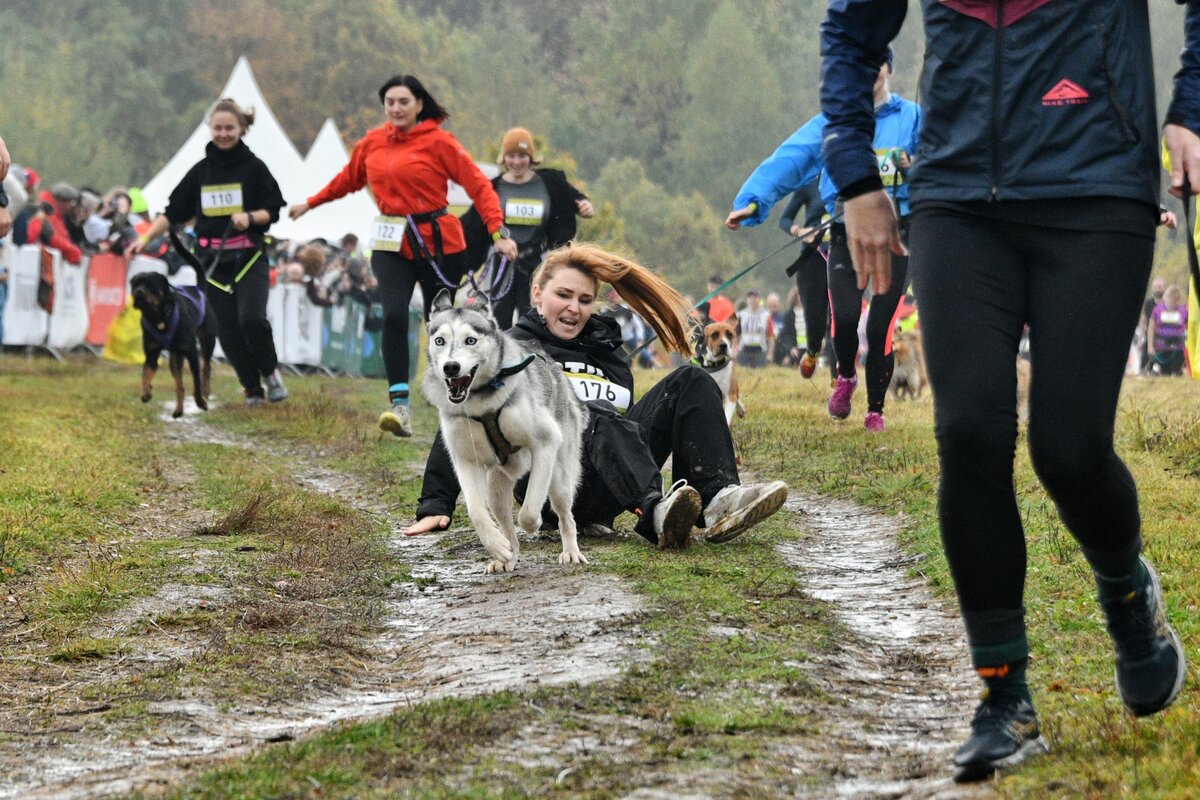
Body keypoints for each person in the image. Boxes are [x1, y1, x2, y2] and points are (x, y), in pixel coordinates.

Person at [821, 0, 1195, 782]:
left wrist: (1191, 105)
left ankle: (1128, 597)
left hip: (1097, 186)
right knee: (969, 433)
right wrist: (855, 175)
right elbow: (853, 30)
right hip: (958, 194)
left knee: (1070, 447)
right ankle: (1004, 697)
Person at [403, 242, 789, 548]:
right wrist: (436, 502)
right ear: (537, 294)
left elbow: (630, 424)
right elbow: (460, 413)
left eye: (585, 300)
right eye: (563, 295)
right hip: (550, 483)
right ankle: (656, 512)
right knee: (591, 414)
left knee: (691, 379)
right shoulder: (511, 351)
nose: (574, 308)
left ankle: (719, 498)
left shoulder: (611, 354)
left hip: (608, 485)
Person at [290, 75, 517, 437]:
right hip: (390, 242)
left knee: (441, 323)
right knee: (394, 312)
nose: (396, 108)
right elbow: (347, 180)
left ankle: (456, 393)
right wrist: (310, 203)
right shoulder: (372, 143)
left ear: (419, 105)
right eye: (390, 102)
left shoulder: (440, 142)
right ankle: (400, 404)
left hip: (440, 244)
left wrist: (497, 233)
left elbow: (479, 186)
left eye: (403, 102)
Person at [727, 50, 920, 431]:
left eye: (875, 64)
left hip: (898, 235)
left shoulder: (912, 117)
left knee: (881, 326)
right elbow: (791, 159)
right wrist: (752, 201)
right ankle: (846, 375)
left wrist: (914, 165)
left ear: (889, 69)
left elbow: (946, 156)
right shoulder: (833, 122)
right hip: (846, 231)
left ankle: (875, 410)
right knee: (846, 318)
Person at [132, 97, 288, 407]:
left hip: (248, 258)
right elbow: (173, 212)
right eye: (217, 128)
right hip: (212, 264)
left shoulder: (255, 168)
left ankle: (270, 373)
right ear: (210, 129)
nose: (223, 134)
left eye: (230, 128)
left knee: (252, 320)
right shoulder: (200, 172)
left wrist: (250, 218)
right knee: (226, 331)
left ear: (242, 129)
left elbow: (273, 211)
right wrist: (146, 238)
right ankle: (251, 388)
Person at [462, 127, 594, 329]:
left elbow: (573, 197)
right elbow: (472, 225)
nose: (517, 162)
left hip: (537, 263)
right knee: (499, 323)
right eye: (511, 156)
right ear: (503, 158)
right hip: (502, 265)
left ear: (531, 157)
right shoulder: (492, 187)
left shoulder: (549, 183)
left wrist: (584, 204)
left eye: (522, 156)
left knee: (534, 320)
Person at [776, 179, 832, 378]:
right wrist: (799, 231)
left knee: (838, 320)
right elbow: (784, 219)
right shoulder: (809, 185)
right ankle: (813, 351)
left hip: (841, 256)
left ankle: (839, 380)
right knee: (815, 317)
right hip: (812, 260)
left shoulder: (850, 179)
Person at [1147, 284, 1190, 376]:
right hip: (1161, 348)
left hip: (1178, 349)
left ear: (1177, 300)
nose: (1168, 303)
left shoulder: (1183, 311)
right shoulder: (1157, 310)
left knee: (1175, 373)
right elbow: (1151, 328)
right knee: (1158, 370)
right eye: (1167, 299)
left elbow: (1189, 327)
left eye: (1173, 300)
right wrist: (1150, 346)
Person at [735, 289, 774, 367]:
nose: (752, 300)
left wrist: (770, 354)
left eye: (755, 297)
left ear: (759, 299)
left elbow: (771, 337)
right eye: (750, 298)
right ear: (747, 300)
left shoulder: (766, 315)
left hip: (760, 351)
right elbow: (736, 334)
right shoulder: (740, 315)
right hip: (744, 350)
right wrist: (734, 350)